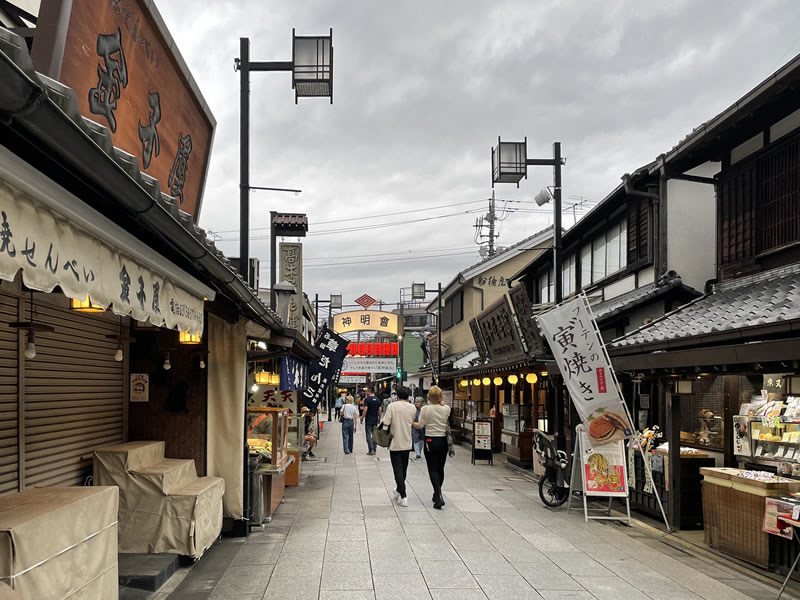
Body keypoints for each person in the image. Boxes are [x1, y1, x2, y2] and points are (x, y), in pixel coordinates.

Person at [413, 385, 451, 509]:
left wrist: (410, 422)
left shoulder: (425, 409)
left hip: (430, 440)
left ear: (428, 396)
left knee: (433, 469)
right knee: (441, 468)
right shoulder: (446, 408)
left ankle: (438, 495)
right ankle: (437, 493)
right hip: (443, 441)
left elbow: (419, 425)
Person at [382, 386, 416, 507]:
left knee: (397, 469)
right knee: (404, 468)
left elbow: (386, 422)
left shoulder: (392, 406)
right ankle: (398, 490)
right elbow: (411, 421)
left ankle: (403, 495)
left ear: (397, 396)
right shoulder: (412, 408)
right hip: (407, 441)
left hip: (395, 442)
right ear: (408, 396)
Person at [361, 388, 382, 456]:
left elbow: (365, 409)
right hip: (375, 419)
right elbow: (380, 410)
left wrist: (362, 417)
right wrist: (379, 418)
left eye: (367, 391)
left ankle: (371, 450)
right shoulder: (377, 399)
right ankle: (374, 449)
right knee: (374, 434)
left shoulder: (367, 399)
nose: (366, 392)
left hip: (369, 420)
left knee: (368, 435)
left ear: (369, 392)